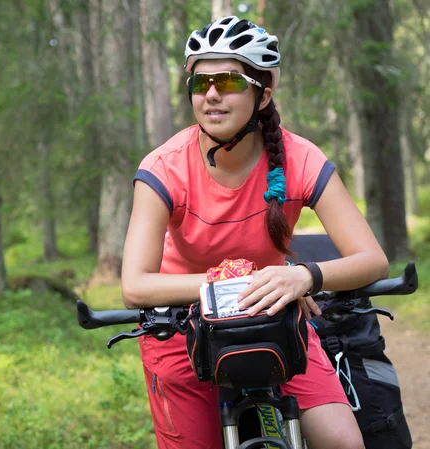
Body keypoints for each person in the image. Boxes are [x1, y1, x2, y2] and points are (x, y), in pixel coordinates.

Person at [121, 16, 389, 449]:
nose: (210, 95)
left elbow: (372, 259)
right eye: (199, 83)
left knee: (345, 443)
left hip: (275, 322)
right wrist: (243, 284)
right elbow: (135, 285)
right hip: (180, 327)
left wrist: (304, 276)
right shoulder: (162, 167)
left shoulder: (301, 159)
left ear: (262, 93)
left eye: (227, 81)